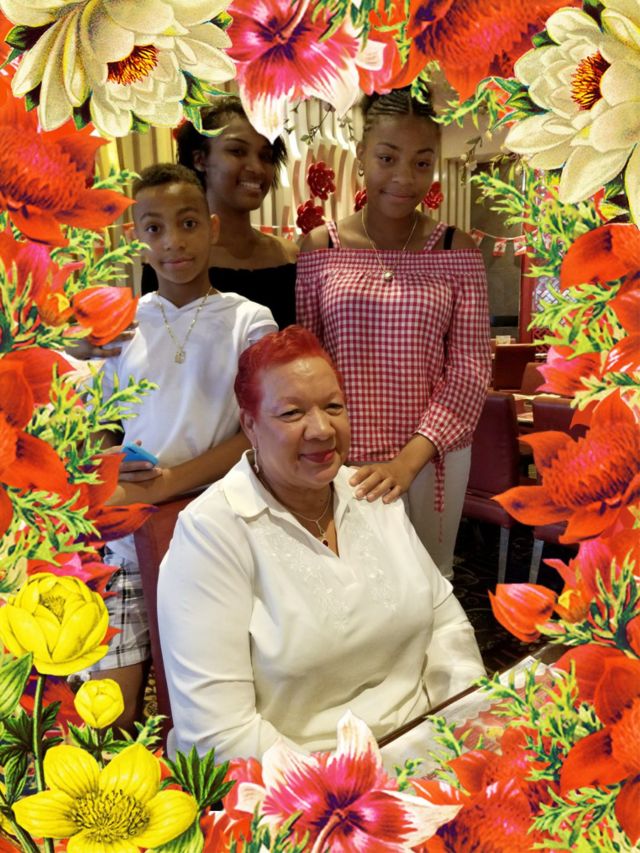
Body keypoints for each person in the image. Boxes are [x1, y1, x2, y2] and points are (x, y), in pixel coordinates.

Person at [157, 326, 484, 763]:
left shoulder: (371, 493)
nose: (322, 429)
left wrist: (466, 720)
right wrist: (349, 790)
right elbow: (218, 734)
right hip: (303, 782)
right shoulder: (212, 534)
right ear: (250, 425)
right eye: (292, 413)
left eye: (334, 407)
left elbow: (447, 627)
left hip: (424, 747)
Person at [91, 163, 277, 730]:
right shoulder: (122, 325)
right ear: (136, 239)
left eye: (188, 223)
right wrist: (111, 458)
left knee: (209, 703)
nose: (173, 241)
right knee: (109, 709)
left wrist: (171, 482)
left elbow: (260, 430)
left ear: (212, 228)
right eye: (154, 228)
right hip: (127, 534)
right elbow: (101, 424)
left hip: (216, 530)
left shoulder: (249, 321)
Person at [296, 88, 492, 580]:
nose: (405, 178)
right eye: (387, 158)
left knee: (426, 582)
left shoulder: (455, 249)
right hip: (339, 455)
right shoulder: (320, 247)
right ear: (362, 155)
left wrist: (408, 462)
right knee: (346, 581)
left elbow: (471, 369)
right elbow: (305, 364)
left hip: (431, 457)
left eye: (422, 163)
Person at [140, 95, 298, 329]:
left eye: (265, 156)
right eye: (237, 151)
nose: (256, 168)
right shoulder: (174, 261)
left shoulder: (290, 255)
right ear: (200, 159)